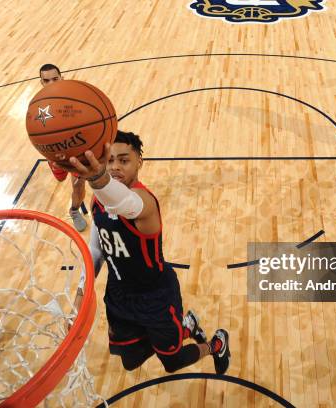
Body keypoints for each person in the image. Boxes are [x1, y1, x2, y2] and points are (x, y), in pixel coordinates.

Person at [64, 131, 230, 374]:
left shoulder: (144, 202)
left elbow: (125, 204)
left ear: (139, 162)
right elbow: (96, 249)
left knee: (172, 363)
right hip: (119, 296)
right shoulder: (97, 200)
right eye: (110, 160)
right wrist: (79, 298)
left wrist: (98, 178)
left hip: (155, 297)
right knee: (130, 362)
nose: (116, 167)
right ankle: (186, 326)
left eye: (124, 160)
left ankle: (215, 345)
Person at [39, 64, 88, 232]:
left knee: (78, 184)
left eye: (55, 78)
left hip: (75, 149)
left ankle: (74, 211)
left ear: (62, 77)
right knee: (60, 179)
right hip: (53, 151)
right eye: (46, 80)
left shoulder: (75, 99)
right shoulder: (39, 107)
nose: (51, 83)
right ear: (41, 83)